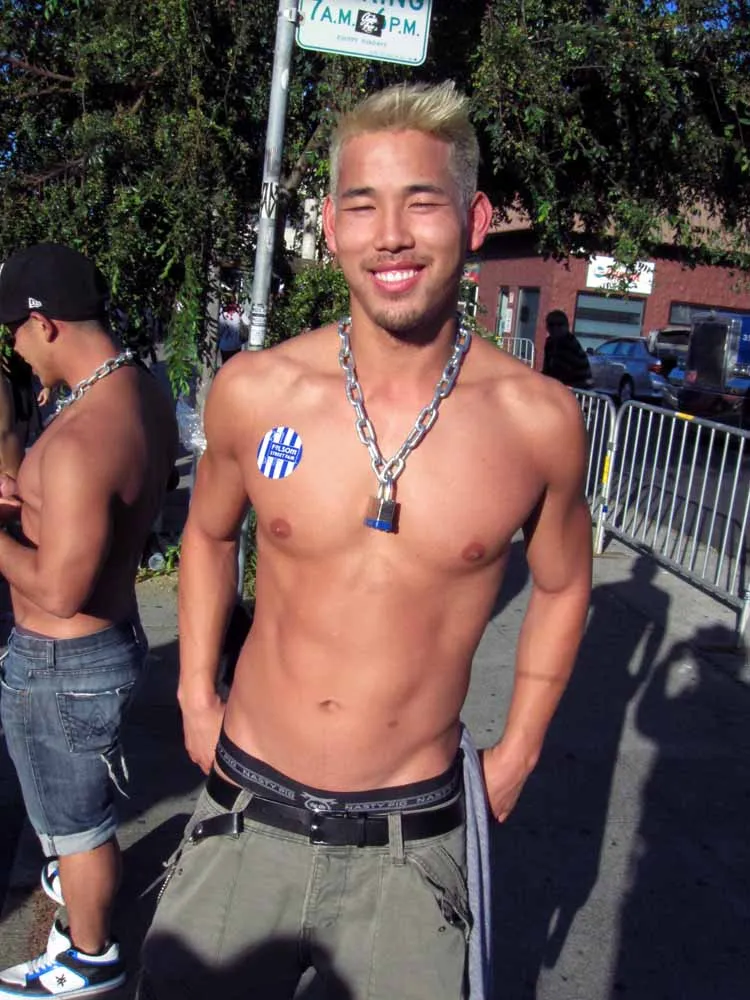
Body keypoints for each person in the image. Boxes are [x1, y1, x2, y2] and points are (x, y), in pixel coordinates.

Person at [139, 82, 592, 1000]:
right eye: (362, 205)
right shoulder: (256, 390)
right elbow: (208, 534)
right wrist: (193, 692)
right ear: (332, 225)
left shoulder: (535, 422)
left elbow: (561, 584)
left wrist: (518, 752)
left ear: (474, 220)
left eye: (420, 202)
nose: (390, 235)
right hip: (244, 812)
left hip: (411, 846)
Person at [0, 243, 178, 998]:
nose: (14, 349)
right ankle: (82, 883)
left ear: (43, 323)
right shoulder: (143, 393)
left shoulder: (79, 438)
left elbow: (59, 586)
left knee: (77, 828)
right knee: (81, 816)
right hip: (107, 643)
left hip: (61, 661)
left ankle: (89, 956)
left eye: (14, 331)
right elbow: (98, 513)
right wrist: (29, 501)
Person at [542, 309, 593, 389]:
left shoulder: (569, 343)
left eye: (560, 324)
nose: (555, 328)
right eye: (551, 325)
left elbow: (560, 371)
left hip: (578, 387)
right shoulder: (550, 342)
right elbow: (548, 369)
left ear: (567, 326)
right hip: (563, 385)